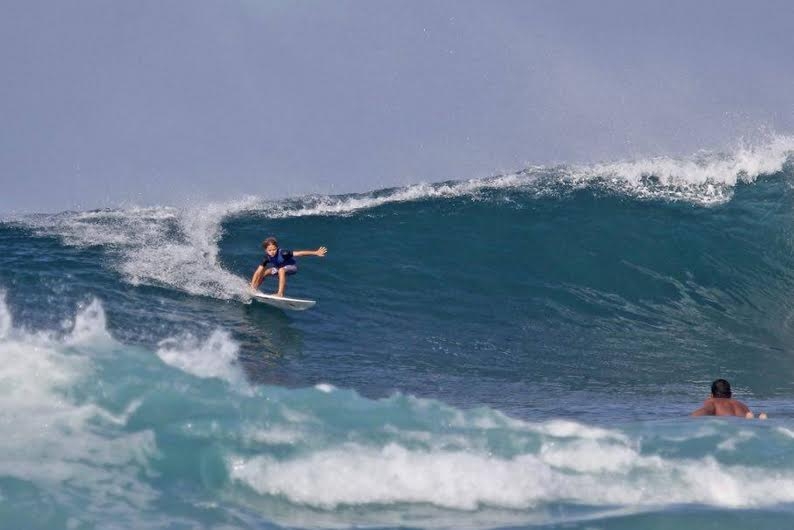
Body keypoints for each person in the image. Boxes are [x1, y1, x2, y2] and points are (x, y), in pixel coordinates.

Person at [250, 237, 327, 297]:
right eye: (269, 250)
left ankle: (280, 293)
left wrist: (315, 252)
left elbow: (300, 253)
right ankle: (254, 288)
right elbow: (257, 272)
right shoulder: (266, 258)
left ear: (277, 248)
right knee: (265, 272)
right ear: (266, 250)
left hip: (291, 268)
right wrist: (252, 286)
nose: (272, 252)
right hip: (279, 268)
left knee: (281, 270)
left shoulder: (284, 253)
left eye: (274, 249)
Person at [691, 379, 767, 419]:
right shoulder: (742, 405)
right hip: (744, 421)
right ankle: (760, 417)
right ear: (730, 394)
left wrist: (692, 417)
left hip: (728, 422)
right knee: (750, 417)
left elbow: (705, 411)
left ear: (711, 395)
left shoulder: (712, 402)